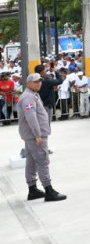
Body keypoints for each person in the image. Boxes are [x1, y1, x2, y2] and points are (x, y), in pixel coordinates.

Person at [18, 73, 66, 202]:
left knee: (32, 161)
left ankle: (32, 189)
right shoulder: (28, 97)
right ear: (28, 83)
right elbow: (31, 117)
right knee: (42, 160)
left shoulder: (33, 94)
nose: (38, 83)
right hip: (35, 136)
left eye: (39, 81)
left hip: (32, 135)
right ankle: (48, 190)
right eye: (35, 82)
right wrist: (37, 135)